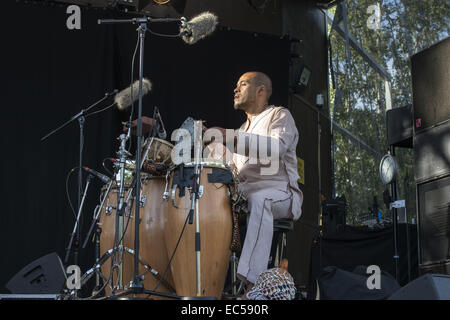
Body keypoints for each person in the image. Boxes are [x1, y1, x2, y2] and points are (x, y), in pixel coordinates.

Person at [204, 71, 303, 293]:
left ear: (261, 91)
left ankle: (252, 287)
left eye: (243, 84)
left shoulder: (279, 115)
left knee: (261, 199)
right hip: (245, 200)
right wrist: (212, 145)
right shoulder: (240, 130)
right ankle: (210, 284)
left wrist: (228, 136)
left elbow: (276, 148)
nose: (235, 89)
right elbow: (231, 171)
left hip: (280, 194)